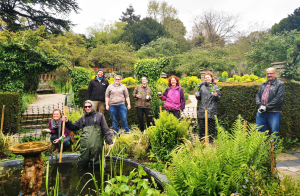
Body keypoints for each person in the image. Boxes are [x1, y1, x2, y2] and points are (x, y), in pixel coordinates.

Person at [62, 100, 114, 169]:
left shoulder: (100, 116)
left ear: (92, 106)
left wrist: (110, 142)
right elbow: (73, 127)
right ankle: (83, 178)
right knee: (82, 163)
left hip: (96, 146)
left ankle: (97, 177)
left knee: (97, 164)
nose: (87, 108)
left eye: (89, 106)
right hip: (85, 146)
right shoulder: (82, 118)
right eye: (85, 107)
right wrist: (67, 122)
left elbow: (106, 130)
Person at [255, 67, 285, 138]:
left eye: (271, 73)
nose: (269, 75)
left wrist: (266, 107)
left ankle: (274, 149)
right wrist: (260, 105)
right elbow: (258, 95)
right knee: (259, 132)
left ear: (275, 74)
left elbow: (279, 98)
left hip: (274, 113)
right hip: (261, 112)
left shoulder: (280, 85)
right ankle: (260, 149)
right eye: (267, 73)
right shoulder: (263, 84)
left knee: (274, 133)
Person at [195, 72, 221, 140]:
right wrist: (197, 96)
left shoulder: (215, 87)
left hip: (211, 109)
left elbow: (219, 98)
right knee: (202, 126)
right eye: (205, 78)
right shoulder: (202, 87)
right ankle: (202, 140)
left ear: (211, 78)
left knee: (211, 126)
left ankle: (211, 140)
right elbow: (200, 98)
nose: (207, 79)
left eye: (208, 77)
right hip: (202, 109)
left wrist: (216, 96)